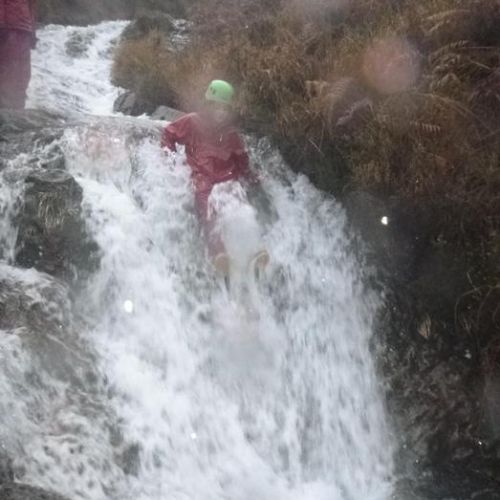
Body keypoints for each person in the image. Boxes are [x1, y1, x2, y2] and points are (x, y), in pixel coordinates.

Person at [161, 79, 266, 275]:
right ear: (208, 104)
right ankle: (218, 253)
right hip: (203, 177)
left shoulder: (232, 134)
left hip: (228, 177)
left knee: (239, 205)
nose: (221, 112)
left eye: (224, 108)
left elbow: (242, 162)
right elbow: (168, 134)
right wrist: (171, 159)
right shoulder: (192, 122)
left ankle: (255, 249)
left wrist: (252, 178)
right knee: (206, 206)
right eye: (217, 106)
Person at [0, 0, 36, 109]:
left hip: (22, 28)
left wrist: (33, 33)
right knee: (11, 69)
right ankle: (10, 107)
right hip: (10, 26)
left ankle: (16, 107)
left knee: (21, 72)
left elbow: (32, 7)